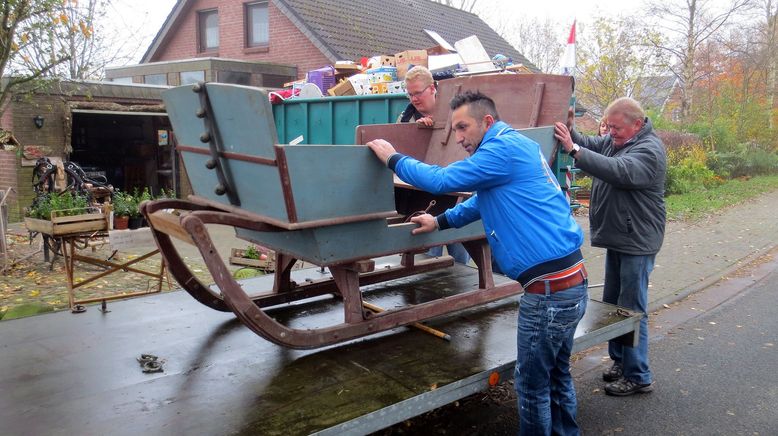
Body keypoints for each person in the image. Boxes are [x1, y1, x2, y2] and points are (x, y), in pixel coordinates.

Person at [368, 91, 589, 435]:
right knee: (556, 375)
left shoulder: (501, 150)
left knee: (531, 386)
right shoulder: (518, 145)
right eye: (454, 130)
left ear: (487, 122)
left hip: (549, 293)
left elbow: (440, 181)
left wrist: (392, 158)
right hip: (569, 282)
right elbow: (481, 202)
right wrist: (440, 222)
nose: (458, 138)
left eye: (463, 127)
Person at [553, 97, 666, 397]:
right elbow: (591, 144)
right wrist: (570, 131)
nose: (610, 133)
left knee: (631, 308)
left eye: (616, 127)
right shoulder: (617, 141)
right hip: (621, 236)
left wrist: (573, 150)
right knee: (614, 304)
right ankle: (621, 361)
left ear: (637, 125)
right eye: (609, 126)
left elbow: (618, 171)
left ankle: (639, 375)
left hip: (637, 241)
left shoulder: (649, 150)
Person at [397, 65, 470, 264]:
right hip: (424, 195)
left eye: (418, 93)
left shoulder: (455, 113)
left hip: (455, 189)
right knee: (427, 253)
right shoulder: (406, 119)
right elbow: (402, 149)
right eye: (410, 94)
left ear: (432, 88)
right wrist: (417, 130)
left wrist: (438, 124)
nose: (414, 99)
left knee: (459, 245)